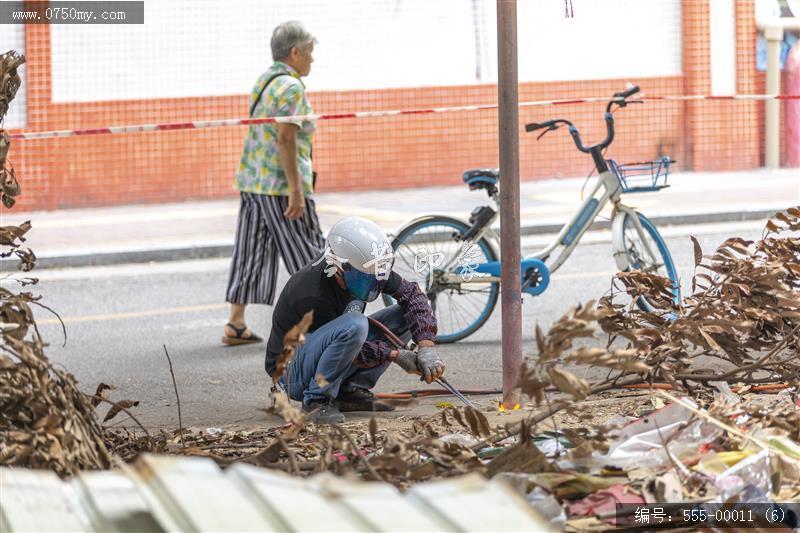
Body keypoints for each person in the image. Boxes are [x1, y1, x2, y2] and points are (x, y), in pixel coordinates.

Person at [265, 217, 446, 424]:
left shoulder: (367, 267)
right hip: (293, 372)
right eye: (366, 280)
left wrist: (426, 346)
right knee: (355, 325)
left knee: (403, 315)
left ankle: (349, 391)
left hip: (328, 347)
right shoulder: (312, 293)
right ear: (340, 268)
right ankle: (317, 401)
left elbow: (414, 296)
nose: (374, 285)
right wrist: (394, 355)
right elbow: (340, 347)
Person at [223, 21, 324, 345]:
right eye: (309, 52)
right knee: (308, 253)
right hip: (280, 186)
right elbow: (285, 139)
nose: (312, 59)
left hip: (253, 181)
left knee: (250, 251)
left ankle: (236, 323)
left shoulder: (264, 81)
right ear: (294, 52)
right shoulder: (291, 88)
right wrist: (296, 189)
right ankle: (321, 320)